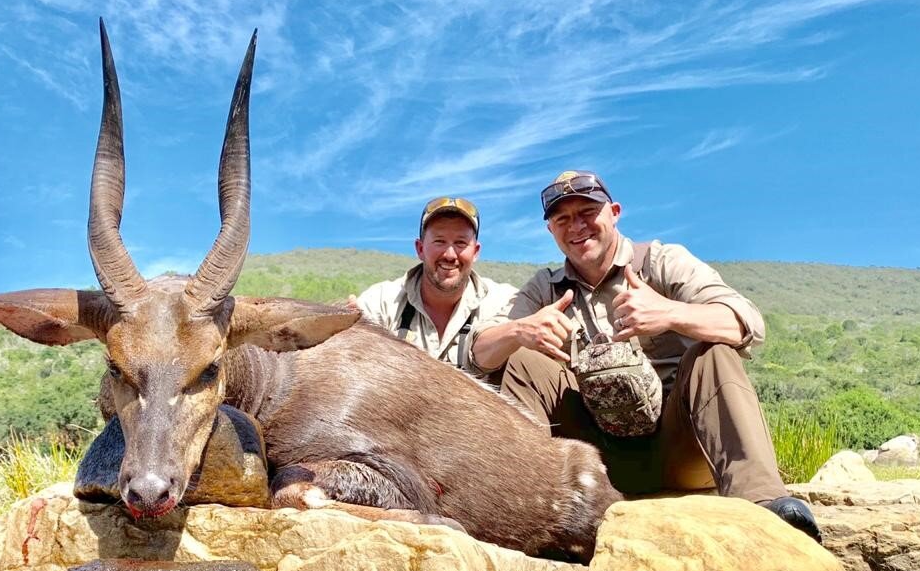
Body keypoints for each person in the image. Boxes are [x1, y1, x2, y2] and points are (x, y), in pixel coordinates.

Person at [472, 170, 821, 540]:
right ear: (551, 231)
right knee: (521, 360)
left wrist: (670, 313)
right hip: (597, 458)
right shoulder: (545, 287)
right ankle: (525, 509)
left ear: (614, 212)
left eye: (588, 212)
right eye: (563, 219)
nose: (577, 226)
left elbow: (746, 323)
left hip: (680, 449)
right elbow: (480, 353)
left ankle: (764, 505)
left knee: (714, 353)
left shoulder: (663, 261)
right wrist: (519, 331)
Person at [351, 196, 516, 380]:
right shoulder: (380, 302)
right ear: (420, 248)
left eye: (461, 243)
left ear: (476, 252)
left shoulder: (506, 301)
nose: (450, 254)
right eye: (439, 241)